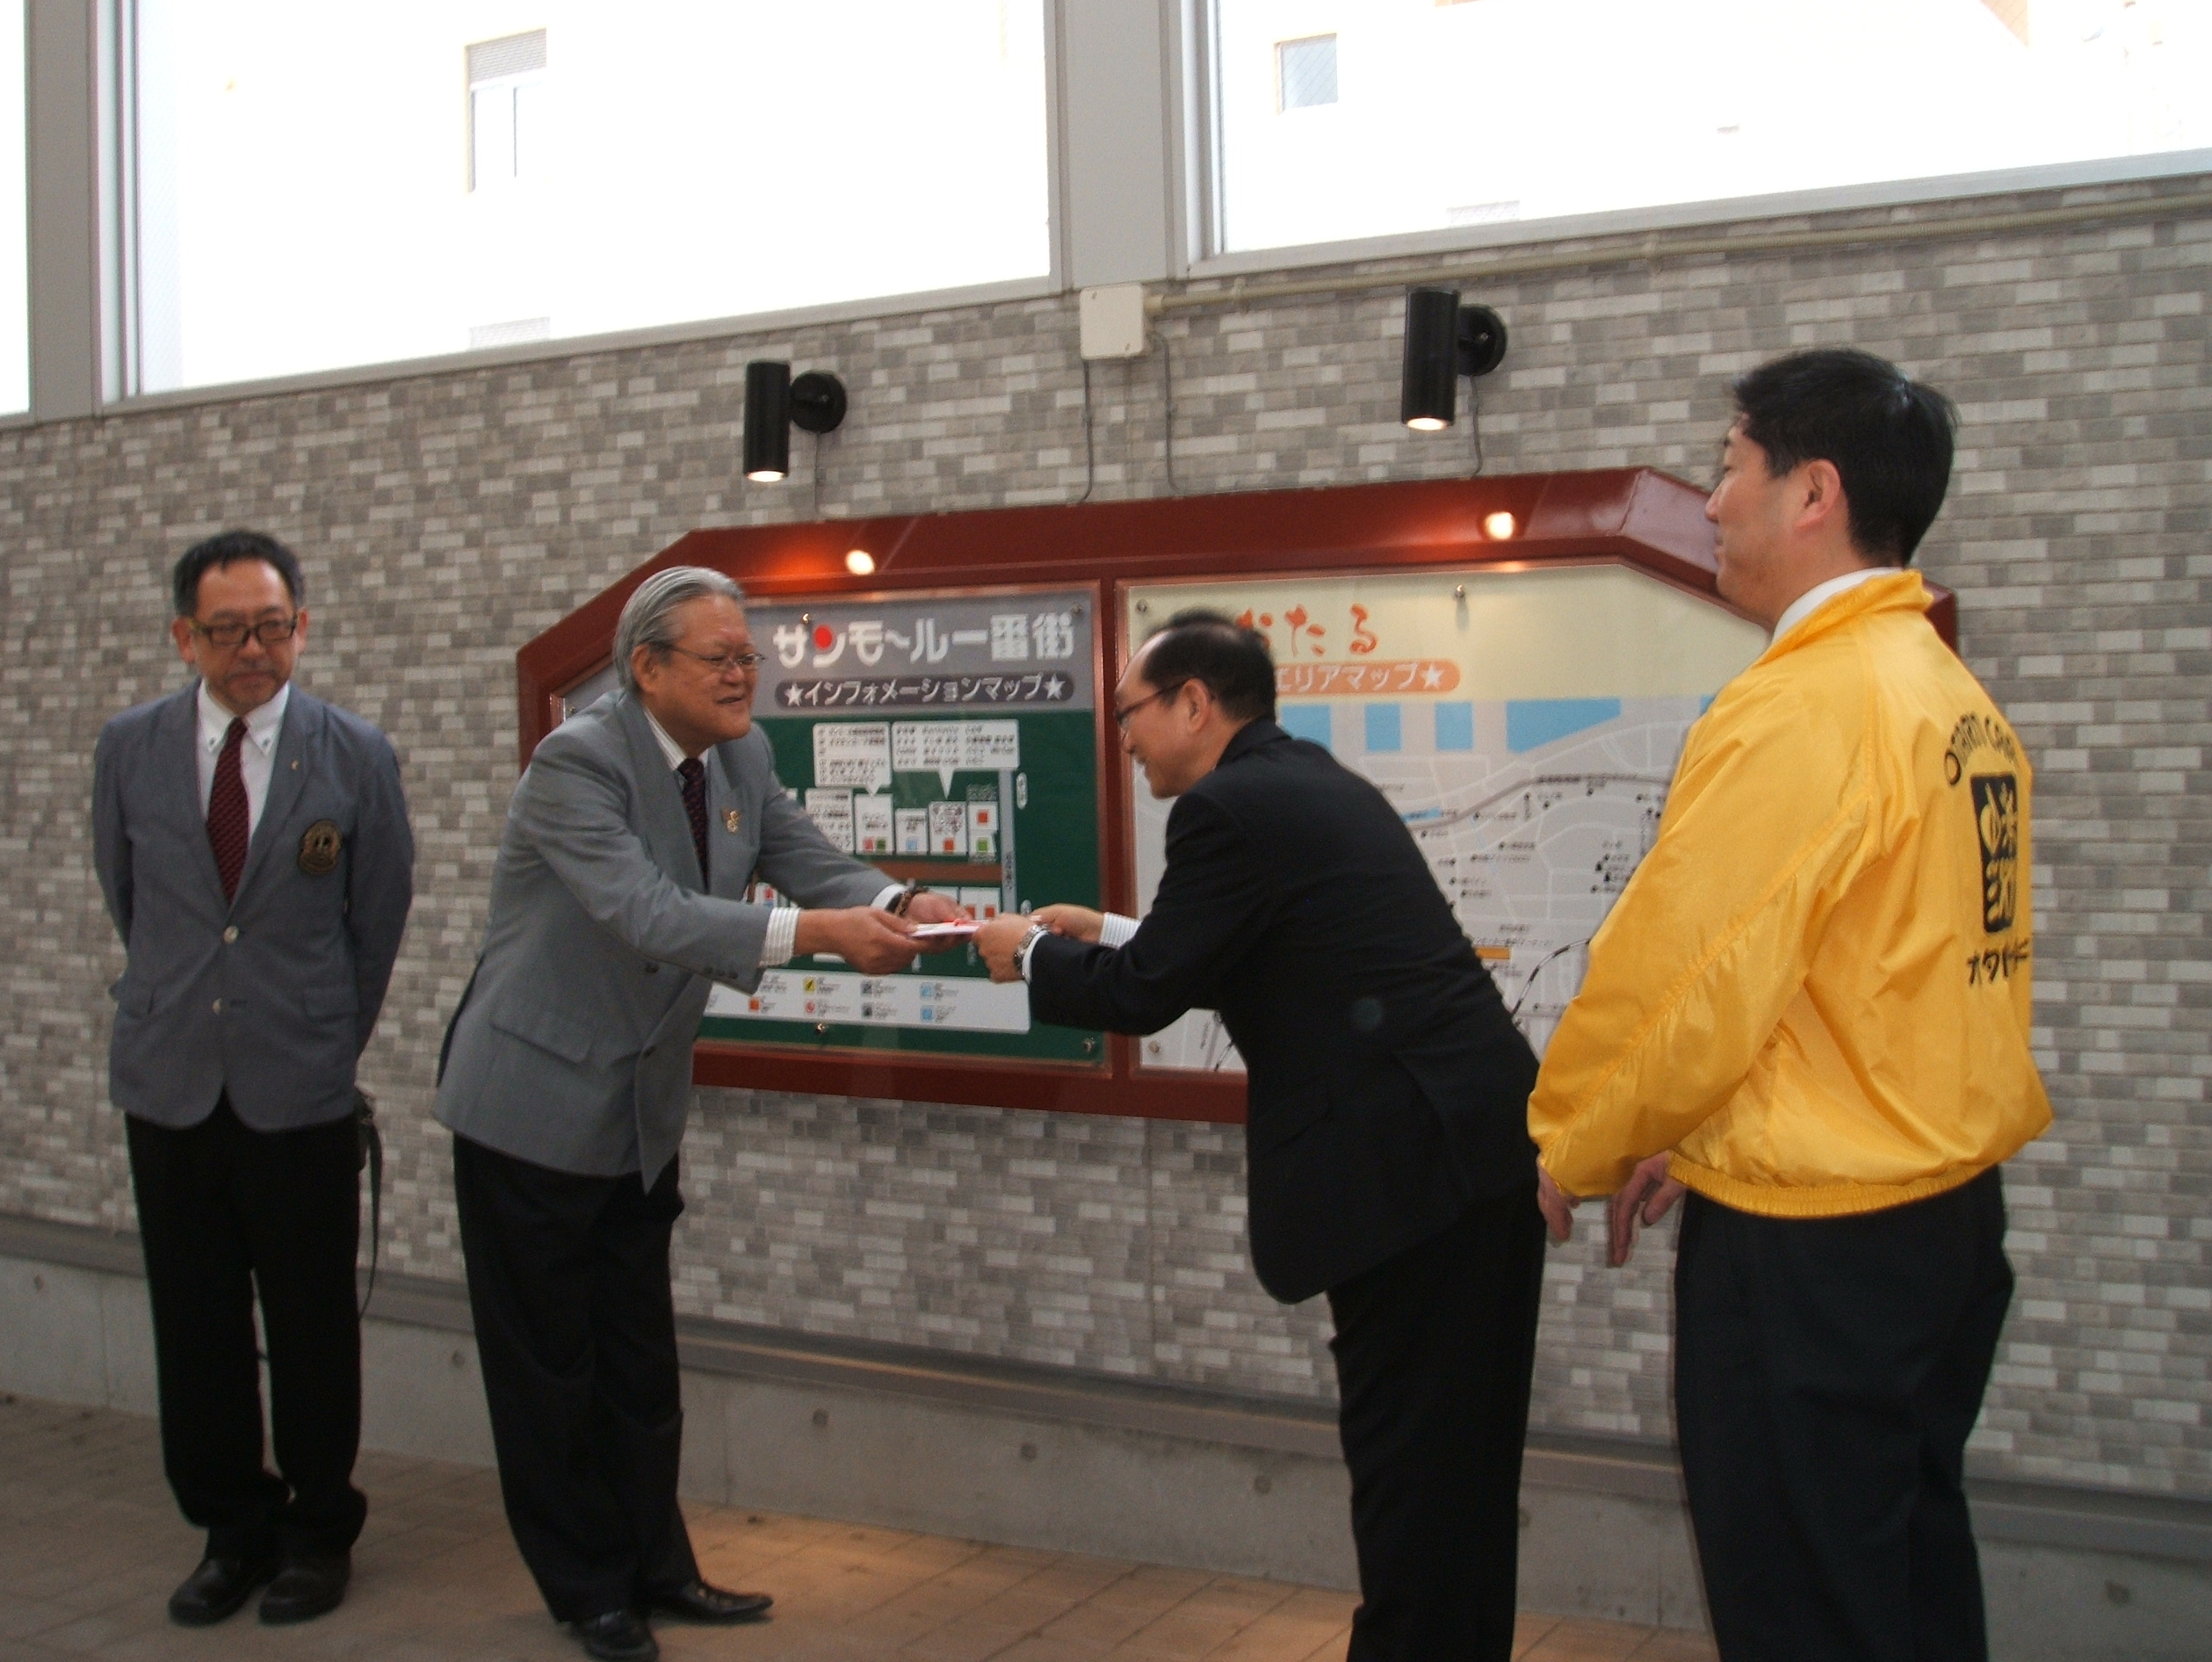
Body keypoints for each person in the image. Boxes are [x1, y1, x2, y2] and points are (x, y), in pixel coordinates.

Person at [1529, 349, 2053, 1662]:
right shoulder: (1945, 696)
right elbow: (1870, 988)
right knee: (1905, 1579)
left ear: (1813, 493)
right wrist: (1695, 1133)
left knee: (1806, 1610)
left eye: (1729, 468)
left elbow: (1690, 975)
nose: (1711, 502)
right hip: (1942, 1225)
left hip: (1817, 1254)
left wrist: (1568, 1141)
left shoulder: (1807, 705)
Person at [974, 612, 1543, 1662]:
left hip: (1409, 1180)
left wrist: (1030, 954)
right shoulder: (1309, 781)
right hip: (1475, 1158)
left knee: (1411, 1474)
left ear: (1194, 703)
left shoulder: (1224, 810)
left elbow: (1148, 994)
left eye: (1130, 716)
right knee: (1460, 1473)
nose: (1125, 742)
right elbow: (1256, 948)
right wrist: (1103, 932)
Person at [435, 566, 965, 1662]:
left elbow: (803, 857)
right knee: (549, 1368)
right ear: (646, 667)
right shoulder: (576, 762)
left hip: (637, 1113)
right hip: (530, 1102)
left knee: (638, 1357)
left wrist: (899, 901)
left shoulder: (741, 756)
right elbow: (646, 912)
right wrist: (818, 939)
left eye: (748, 657)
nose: (742, 676)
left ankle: (657, 1567)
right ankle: (587, 1588)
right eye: (720, 659)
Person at [91, 531, 415, 1629]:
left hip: (299, 1087)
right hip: (171, 1081)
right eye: (226, 631)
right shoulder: (130, 747)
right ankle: (232, 1528)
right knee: (196, 1326)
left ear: (301, 628)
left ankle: (320, 1531)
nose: (252, 651)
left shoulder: (354, 753)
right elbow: (131, 896)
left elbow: (378, 918)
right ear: (184, 636)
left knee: (313, 1323)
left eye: (272, 628)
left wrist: (324, 1038)